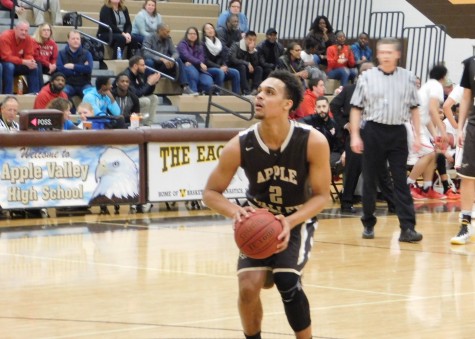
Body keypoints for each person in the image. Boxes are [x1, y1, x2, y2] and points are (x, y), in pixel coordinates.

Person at [203, 69, 330, 339]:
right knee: (248, 287)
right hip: (258, 220)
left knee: (287, 280)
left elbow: (322, 196)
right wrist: (237, 212)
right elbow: (211, 192)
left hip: (297, 219)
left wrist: (290, 221)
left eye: (269, 92)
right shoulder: (240, 144)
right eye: (259, 91)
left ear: (288, 105)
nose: (259, 96)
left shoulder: (313, 141)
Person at [350, 37, 423, 242]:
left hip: (398, 132)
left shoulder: (408, 77)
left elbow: (414, 108)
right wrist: (355, 135)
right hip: (373, 131)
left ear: (397, 54)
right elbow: (356, 108)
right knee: (370, 180)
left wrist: (418, 135)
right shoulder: (367, 77)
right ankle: (368, 222)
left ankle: (407, 228)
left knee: (400, 180)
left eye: (389, 52)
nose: (385, 55)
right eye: (382, 52)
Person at [406, 65, 449, 201]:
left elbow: (428, 117)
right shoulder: (436, 86)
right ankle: (408, 185)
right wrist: (443, 132)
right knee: (429, 153)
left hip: (419, 124)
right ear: (443, 76)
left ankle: (427, 188)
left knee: (433, 154)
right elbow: (432, 110)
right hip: (412, 123)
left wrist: (435, 134)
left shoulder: (429, 85)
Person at [450, 56, 475, 245]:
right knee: (468, 177)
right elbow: (467, 97)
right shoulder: (471, 63)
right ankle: (465, 225)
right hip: (473, 126)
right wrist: (460, 128)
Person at [142, 23, 196, 95]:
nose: (168, 33)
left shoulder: (168, 38)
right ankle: (149, 85)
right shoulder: (149, 38)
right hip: (153, 65)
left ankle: (185, 87)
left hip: (164, 66)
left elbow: (175, 52)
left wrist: (171, 59)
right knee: (149, 62)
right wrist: (161, 59)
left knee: (178, 60)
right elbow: (146, 53)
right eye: (166, 32)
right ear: (160, 31)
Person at [299, 96, 344, 171]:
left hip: (330, 154)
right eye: (319, 107)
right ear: (315, 109)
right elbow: (298, 123)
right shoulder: (310, 120)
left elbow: (339, 143)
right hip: (313, 154)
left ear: (328, 108)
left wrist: (343, 152)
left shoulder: (334, 124)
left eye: (324, 106)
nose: (321, 110)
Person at [0, 20, 41, 94]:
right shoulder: (5, 37)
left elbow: (29, 54)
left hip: (18, 63)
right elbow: (6, 57)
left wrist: (30, 61)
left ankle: (34, 94)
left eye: (26, 30)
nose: (24, 32)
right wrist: (24, 61)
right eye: (21, 30)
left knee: (33, 67)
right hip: (4, 63)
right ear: (15, 29)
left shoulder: (28, 38)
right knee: (10, 66)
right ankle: (8, 94)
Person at [202, 22, 240, 94]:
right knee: (220, 72)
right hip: (209, 68)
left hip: (220, 67)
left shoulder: (219, 42)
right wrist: (219, 67)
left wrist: (225, 65)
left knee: (235, 72)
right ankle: (217, 93)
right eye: (207, 29)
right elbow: (206, 60)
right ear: (204, 33)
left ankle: (236, 95)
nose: (210, 30)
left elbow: (225, 56)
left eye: (211, 28)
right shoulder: (203, 44)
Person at [122, 55, 160, 125]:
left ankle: (148, 124)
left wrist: (152, 83)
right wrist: (149, 83)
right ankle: (140, 125)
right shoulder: (127, 76)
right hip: (124, 101)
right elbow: (137, 94)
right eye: (142, 65)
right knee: (145, 101)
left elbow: (145, 92)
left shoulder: (138, 75)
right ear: (135, 66)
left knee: (154, 98)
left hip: (133, 99)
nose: (145, 67)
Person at [56, 30, 93, 100]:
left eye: (77, 39)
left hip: (84, 84)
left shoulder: (87, 53)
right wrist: (80, 69)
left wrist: (73, 66)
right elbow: (60, 69)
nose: (76, 41)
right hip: (68, 83)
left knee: (91, 95)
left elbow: (88, 69)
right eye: (73, 39)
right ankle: (71, 111)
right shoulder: (61, 53)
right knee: (62, 94)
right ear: (68, 40)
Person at [177, 26, 214, 94]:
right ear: (187, 35)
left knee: (208, 83)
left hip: (198, 68)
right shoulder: (182, 44)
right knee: (192, 72)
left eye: (194, 34)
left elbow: (202, 58)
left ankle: (201, 92)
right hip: (185, 66)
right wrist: (199, 63)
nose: (192, 35)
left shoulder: (200, 45)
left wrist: (196, 63)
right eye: (190, 33)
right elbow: (187, 56)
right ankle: (193, 92)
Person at [228, 30, 263, 96]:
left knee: (259, 68)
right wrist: (247, 63)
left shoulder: (254, 50)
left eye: (254, 40)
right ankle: (246, 91)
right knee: (242, 67)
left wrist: (251, 52)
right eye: (250, 39)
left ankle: (254, 90)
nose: (252, 42)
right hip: (236, 67)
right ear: (245, 38)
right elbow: (233, 59)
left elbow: (255, 64)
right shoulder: (236, 45)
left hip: (247, 70)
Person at [32, 23, 58, 87]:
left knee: (59, 69)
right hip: (39, 64)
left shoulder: (52, 43)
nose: (46, 32)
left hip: (48, 66)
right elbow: (37, 57)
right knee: (38, 64)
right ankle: (40, 89)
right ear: (40, 31)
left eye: (48, 30)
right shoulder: (34, 41)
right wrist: (49, 64)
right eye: (44, 30)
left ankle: (55, 91)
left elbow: (54, 58)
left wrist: (53, 65)